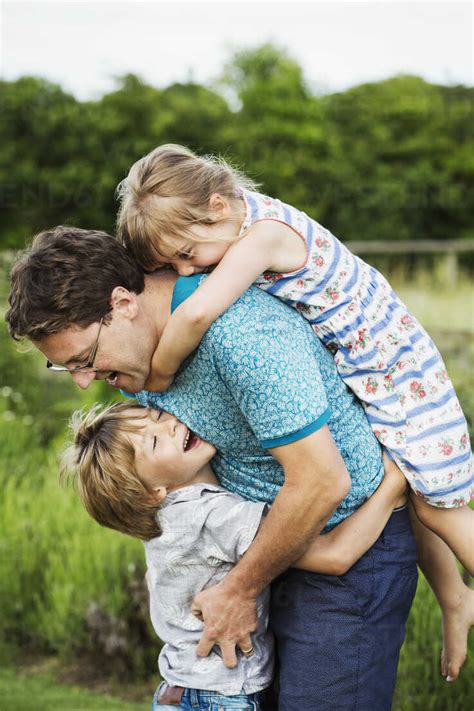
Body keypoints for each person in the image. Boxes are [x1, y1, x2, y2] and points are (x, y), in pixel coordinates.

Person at [6, 227, 472, 708]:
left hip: (344, 558)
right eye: (66, 368)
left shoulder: (244, 338)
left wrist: (238, 589)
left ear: (123, 303)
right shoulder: (136, 367)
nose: (85, 383)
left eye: (83, 359)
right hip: (259, 558)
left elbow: (322, 483)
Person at [116, 143, 473, 578]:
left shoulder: (265, 235)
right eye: (170, 263)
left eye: (186, 254)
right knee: (421, 491)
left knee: (438, 506)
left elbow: (195, 312)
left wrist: (158, 373)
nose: (186, 272)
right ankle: (456, 602)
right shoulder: (238, 222)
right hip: (369, 363)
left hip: (393, 366)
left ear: (217, 205)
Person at [64, 401, 408, 710]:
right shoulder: (212, 516)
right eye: (154, 443)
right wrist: (392, 486)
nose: (170, 426)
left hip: (179, 690)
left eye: (157, 415)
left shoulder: (168, 522)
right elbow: (335, 555)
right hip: (221, 698)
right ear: (153, 493)